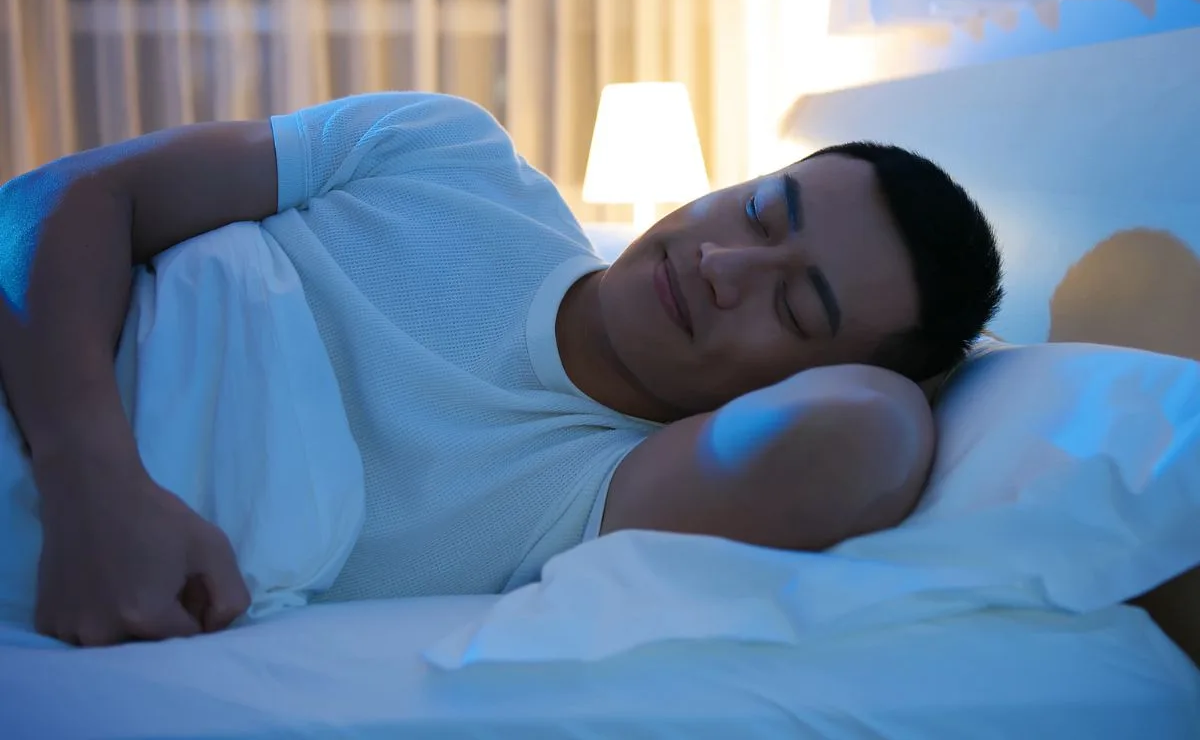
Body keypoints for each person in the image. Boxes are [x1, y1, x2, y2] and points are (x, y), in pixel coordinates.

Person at [0, 91, 1003, 647]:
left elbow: (865, 430)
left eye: (795, 305)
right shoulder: (444, 150)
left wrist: (926, 374)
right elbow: (66, 200)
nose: (722, 265)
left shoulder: (600, 495)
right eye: (755, 211)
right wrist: (94, 481)